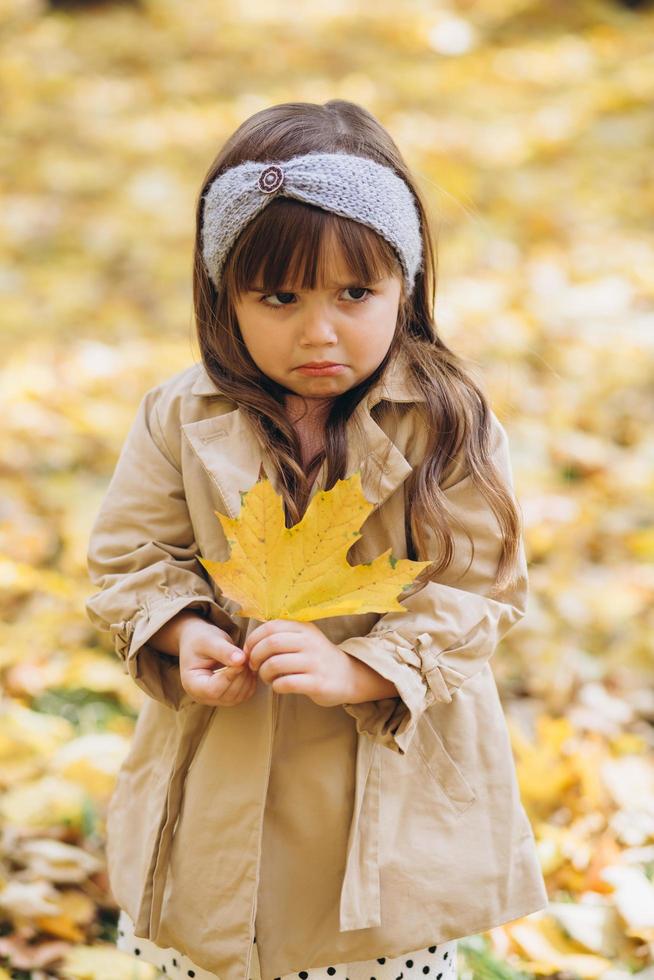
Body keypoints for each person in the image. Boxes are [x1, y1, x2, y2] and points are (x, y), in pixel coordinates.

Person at [85, 99, 549, 980]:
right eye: (279, 296)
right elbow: (130, 554)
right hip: (220, 769)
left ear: (405, 286)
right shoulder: (183, 415)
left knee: (361, 951)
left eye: (355, 293)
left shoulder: (445, 421)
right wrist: (184, 635)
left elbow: (477, 588)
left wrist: (361, 669)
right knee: (212, 942)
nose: (320, 330)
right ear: (224, 294)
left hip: (381, 795)